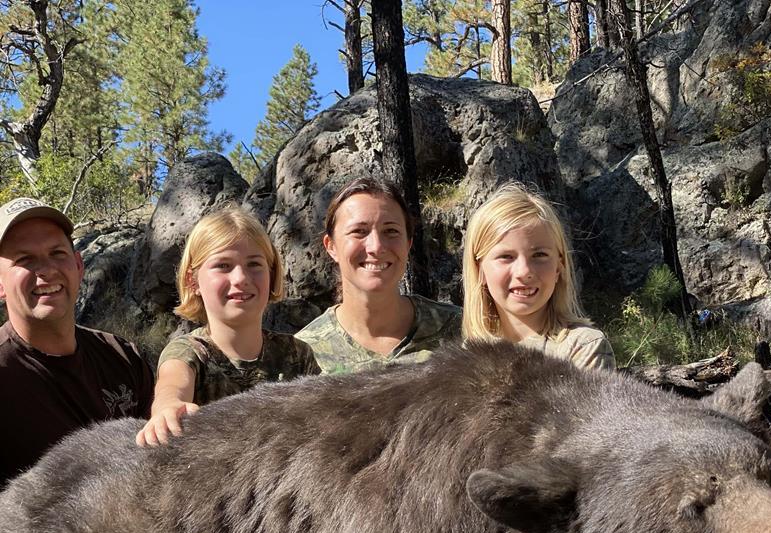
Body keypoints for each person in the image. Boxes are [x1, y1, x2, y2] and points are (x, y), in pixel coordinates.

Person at [0, 197, 154, 486]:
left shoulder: (123, 357)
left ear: (79, 265)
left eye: (57, 253)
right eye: (24, 259)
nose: (46, 269)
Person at [136, 206, 319, 446]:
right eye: (223, 265)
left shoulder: (297, 354)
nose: (241, 278)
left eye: (254, 264)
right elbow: (172, 386)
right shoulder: (188, 353)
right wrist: (168, 409)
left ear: (272, 273)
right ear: (193, 281)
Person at [296, 176, 462, 374]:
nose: (376, 247)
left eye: (391, 231)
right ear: (331, 246)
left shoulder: (460, 331)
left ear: (408, 244)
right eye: (359, 231)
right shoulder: (303, 353)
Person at [462, 183, 615, 370]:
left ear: (559, 267)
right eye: (506, 257)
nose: (524, 272)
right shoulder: (467, 358)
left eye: (539, 255)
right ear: (479, 270)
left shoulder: (583, 347)